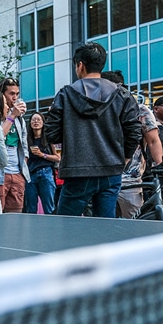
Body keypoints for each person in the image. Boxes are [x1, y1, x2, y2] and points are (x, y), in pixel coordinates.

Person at [46, 42, 142, 218]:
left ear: (80, 65)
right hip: (111, 169)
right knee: (104, 227)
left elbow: (51, 134)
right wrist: (125, 157)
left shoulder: (66, 94)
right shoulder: (122, 95)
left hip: (77, 169)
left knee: (66, 227)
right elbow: (134, 130)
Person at [101, 70, 163, 218]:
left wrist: (161, 165)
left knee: (133, 220)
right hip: (102, 176)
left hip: (130, 178)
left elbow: (153, 140)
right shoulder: (98, 109)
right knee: (103, 222)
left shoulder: (139, 109)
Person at [0, 78, 30, 213]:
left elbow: (24, 142)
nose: (15, 97)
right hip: (0, 172)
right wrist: (12, 115)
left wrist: (24, 161)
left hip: (17, 171)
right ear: (2, 95)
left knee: (15, 213)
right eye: (11, 94)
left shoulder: (19, 117)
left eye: (17, 93)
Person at [24, 112, 60, 214]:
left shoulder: (49, 138)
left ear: (43, 123)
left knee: (49, 208)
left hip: (46, 173)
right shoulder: (26, 139)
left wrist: (42, 154)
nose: (36, 122)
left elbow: (58, 158)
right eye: (33, 120)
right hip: (30, 175)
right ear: (30, 123)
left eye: (38, 119)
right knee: (31, 208)